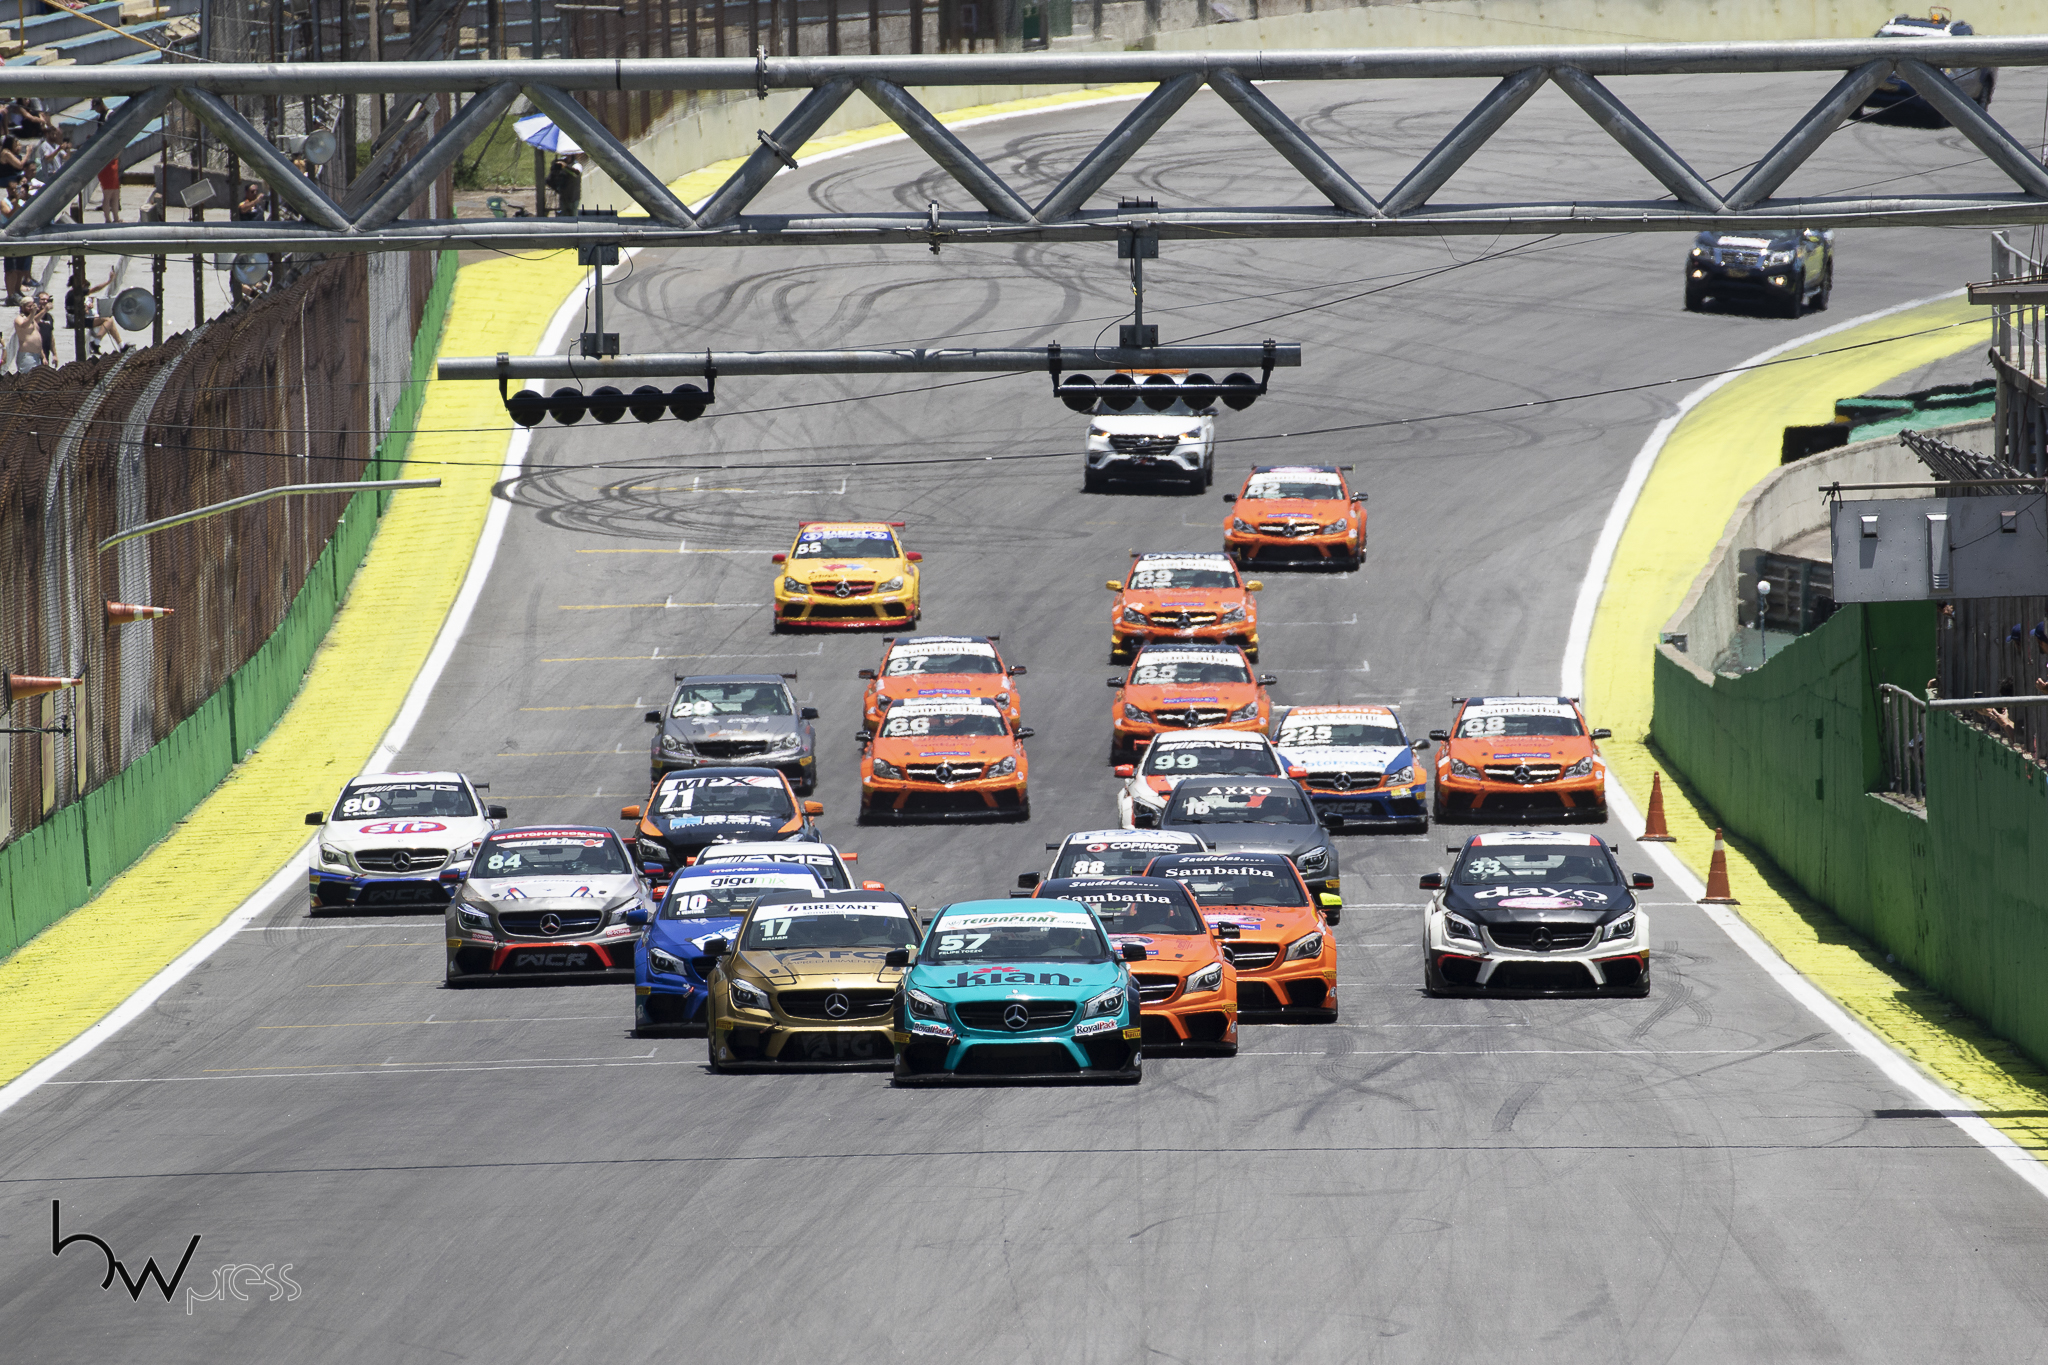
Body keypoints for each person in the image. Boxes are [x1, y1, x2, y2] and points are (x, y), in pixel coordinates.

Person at [13, 294, 47, 372]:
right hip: (27, 355)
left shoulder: (32, 320)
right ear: (22, 307)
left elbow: (37, 339)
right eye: (29, 306)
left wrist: (43, 356)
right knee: (28, 377)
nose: (31, 308)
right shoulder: (19, 319)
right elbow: (24, 325)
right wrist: (33, 313)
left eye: (32, 306)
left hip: (37, 355)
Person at [545, 152, 581, 216]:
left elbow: (576, 172)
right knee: (563, 216)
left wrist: (565, 166)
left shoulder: (576, 165)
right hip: (564, 197)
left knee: (573, 216)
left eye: (569, 156)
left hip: (573, 197)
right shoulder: (562, 164)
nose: (567, 158)